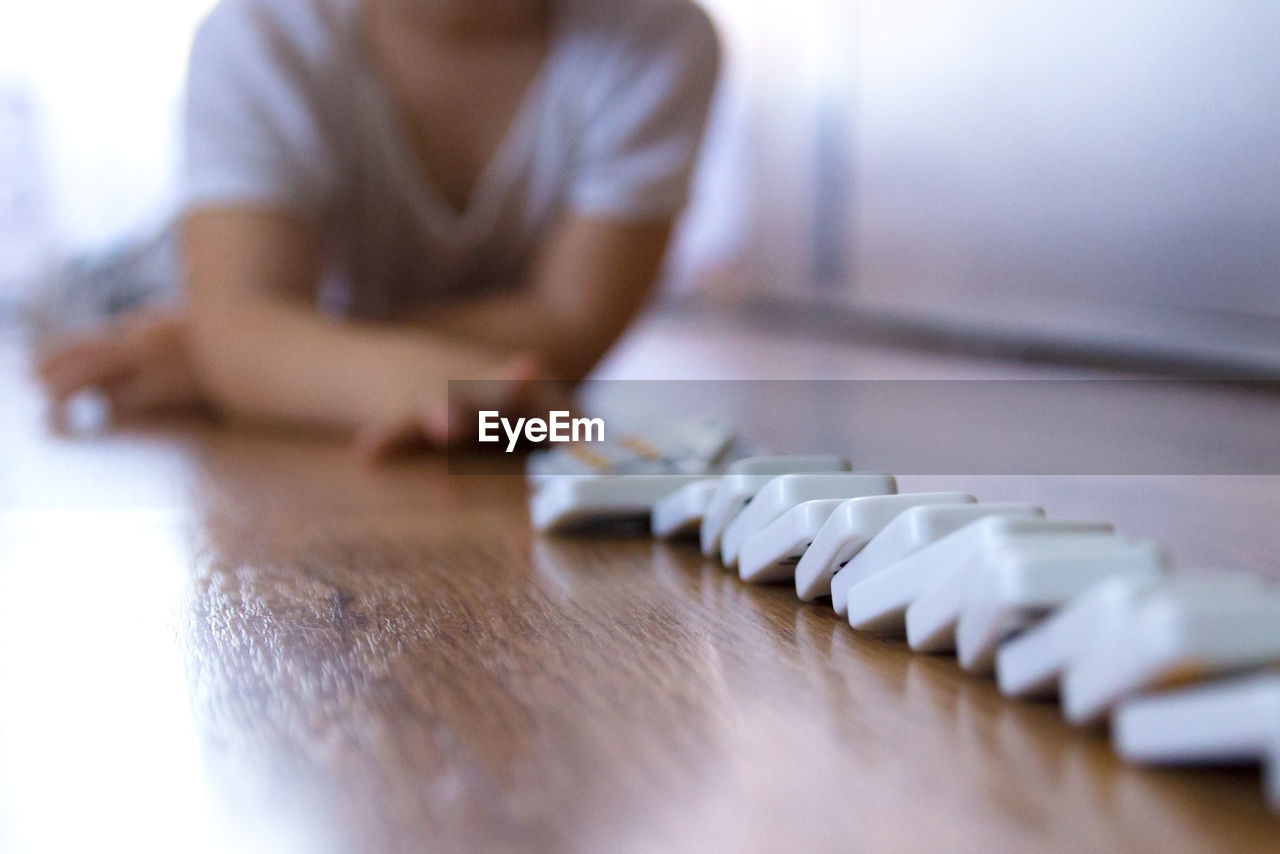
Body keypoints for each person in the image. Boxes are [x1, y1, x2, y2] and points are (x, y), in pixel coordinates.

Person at [35, 0, 720, 460]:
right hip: (137, 291)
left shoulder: (662, 39)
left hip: (275, 321)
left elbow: (572, 328)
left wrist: (259, 358)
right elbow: (239, 323)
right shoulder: (261, 34)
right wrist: (405, 377)